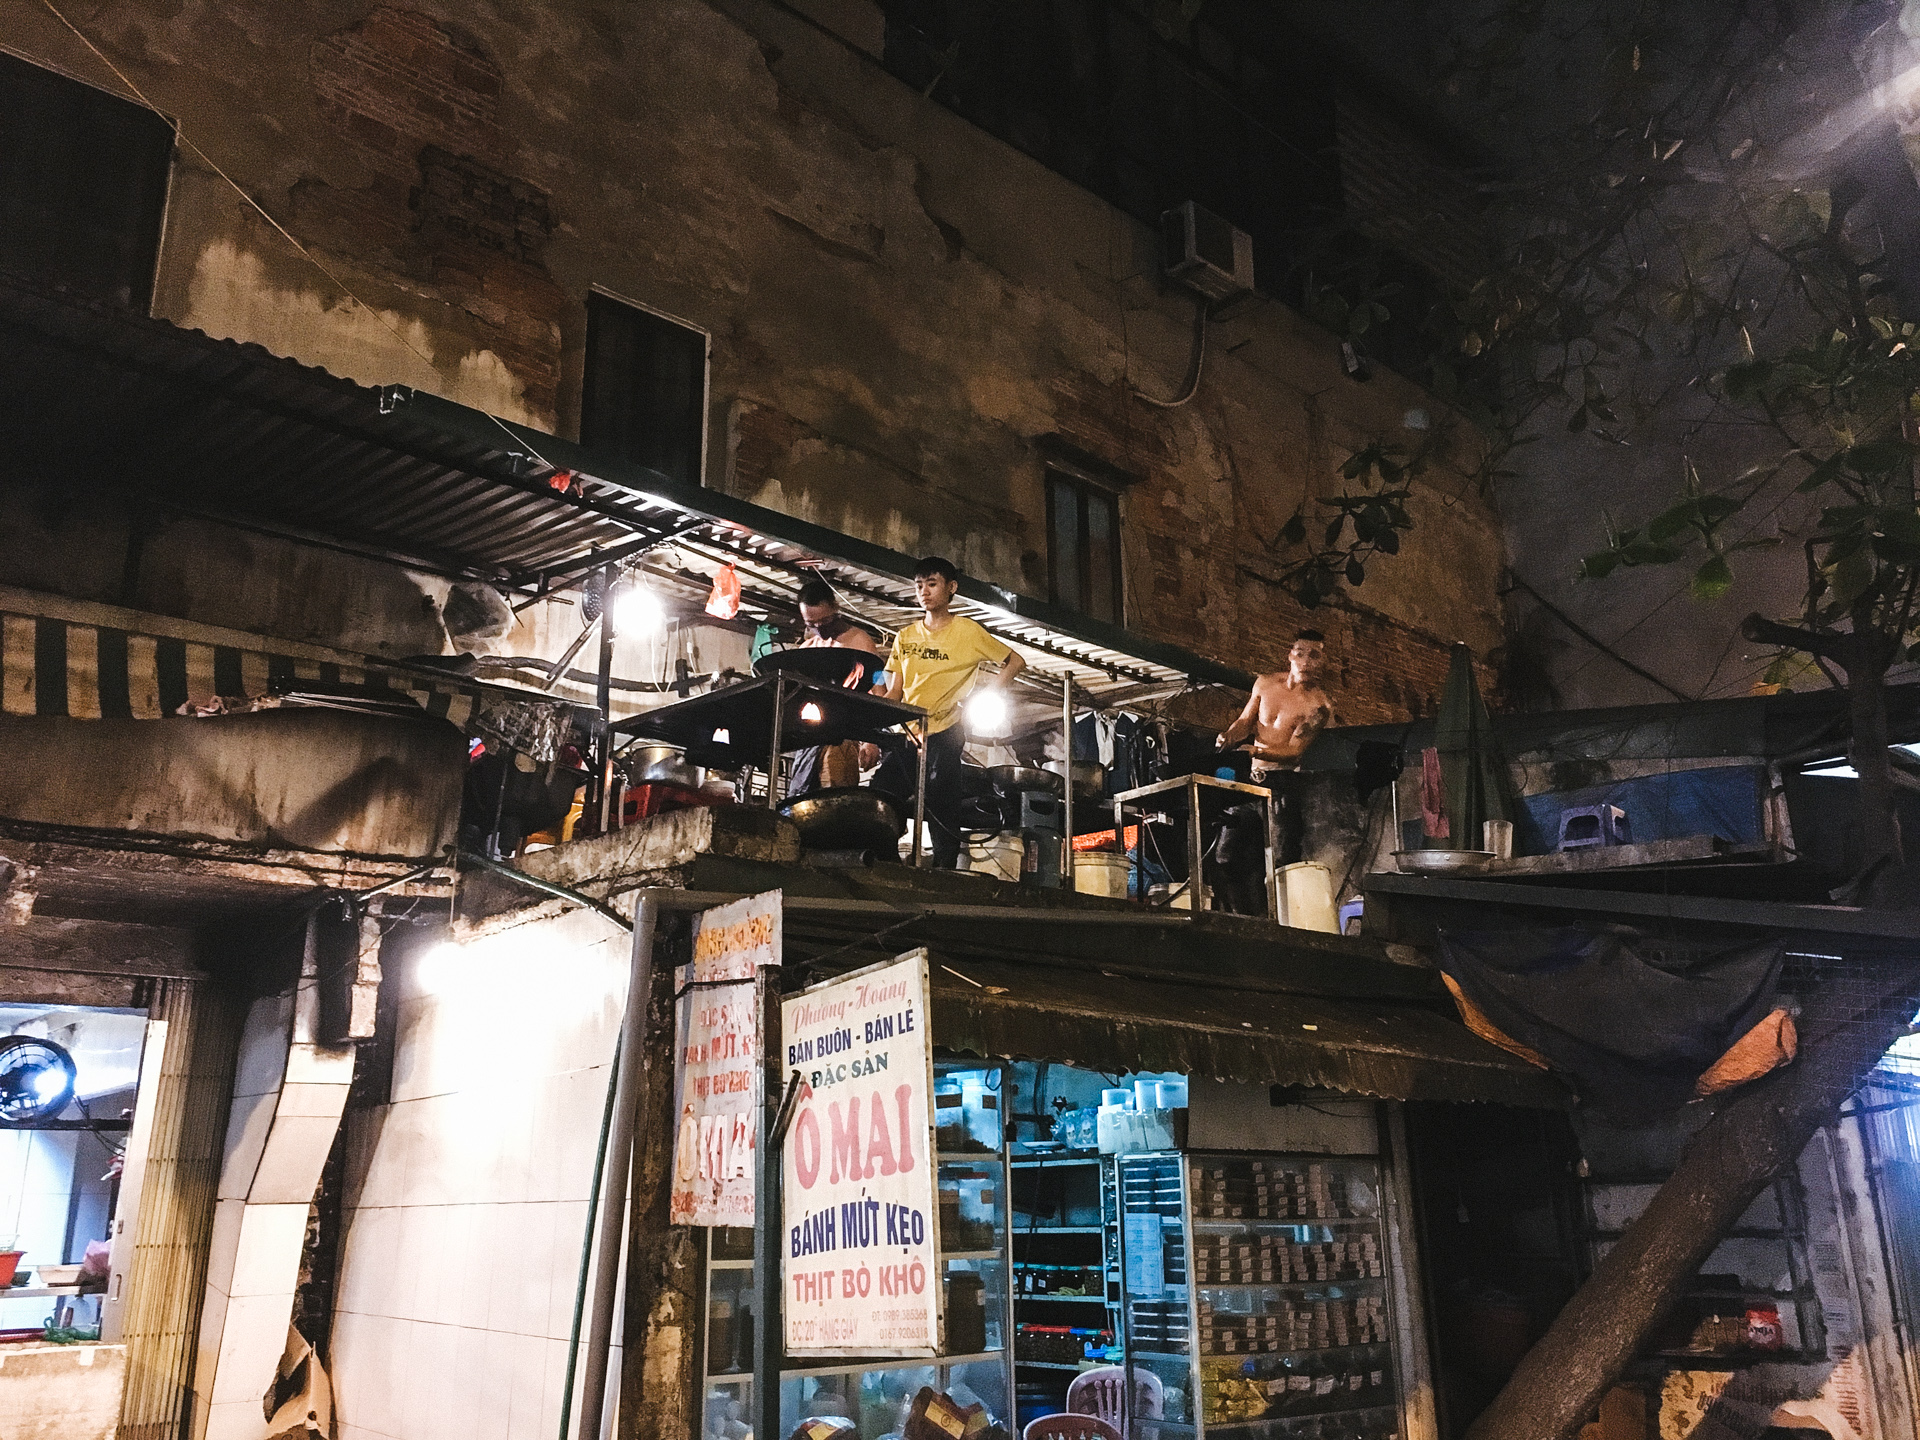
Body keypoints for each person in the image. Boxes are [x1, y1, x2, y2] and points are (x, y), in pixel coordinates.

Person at [872, 556, 1026, 866]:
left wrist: (989, 693)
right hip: (907, 731)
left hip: (946, 728)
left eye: (932, 584)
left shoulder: (968, 631)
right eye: (918, 586)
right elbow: (891, 683)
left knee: (942, 802)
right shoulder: (905, 636)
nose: (924, 592)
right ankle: (887, 861)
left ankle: (944, 871)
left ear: (951, 588)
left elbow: (1015, 661)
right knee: (880, 793)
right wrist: (873, 682)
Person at [1216, 630, 1335, 864]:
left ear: (1322, 662)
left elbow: (1294, 751)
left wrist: (1256, 751)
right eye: (1300, 654)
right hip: (1249, 778)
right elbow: (1244, 721)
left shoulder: (1319, 706)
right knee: (1226, 856)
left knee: (1281, 859)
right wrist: (1228, 736)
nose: (1306, 662)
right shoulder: (1265, 683)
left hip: (1282, 783)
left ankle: (1281, 898)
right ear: (1290, 655)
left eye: (1314, 656)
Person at [786, 579, 879, 796]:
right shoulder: (808, 647)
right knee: (800, 801)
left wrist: (872, 740)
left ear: (835, 608)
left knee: (834, 801)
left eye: (825, 622)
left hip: (842, 738)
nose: (820, 630)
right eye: (812, 625)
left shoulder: (860, 642)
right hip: (809, 739)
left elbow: (877, 690)